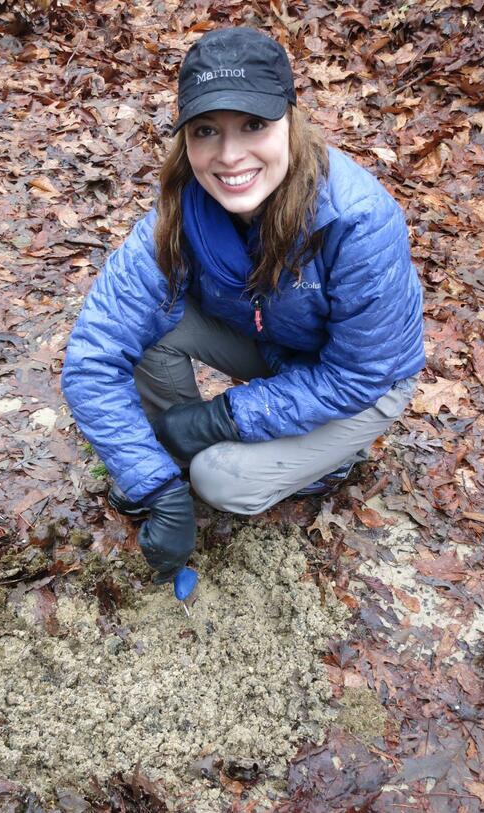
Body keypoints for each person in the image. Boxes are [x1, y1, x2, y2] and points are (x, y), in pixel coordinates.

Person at [61, 27, 425, 585]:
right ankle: (171, 460)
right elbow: (93, 355)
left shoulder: (357, 221)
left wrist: (220, 417)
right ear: (185, 140)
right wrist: (153, 483)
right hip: (274, 342)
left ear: (289, 119)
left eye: (253, 125)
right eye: (207, 131)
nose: (230, 157)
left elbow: (360, 373)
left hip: (363, 385)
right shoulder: (180, 213)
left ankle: (333, 459)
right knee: (146, 334)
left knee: (221, 480)